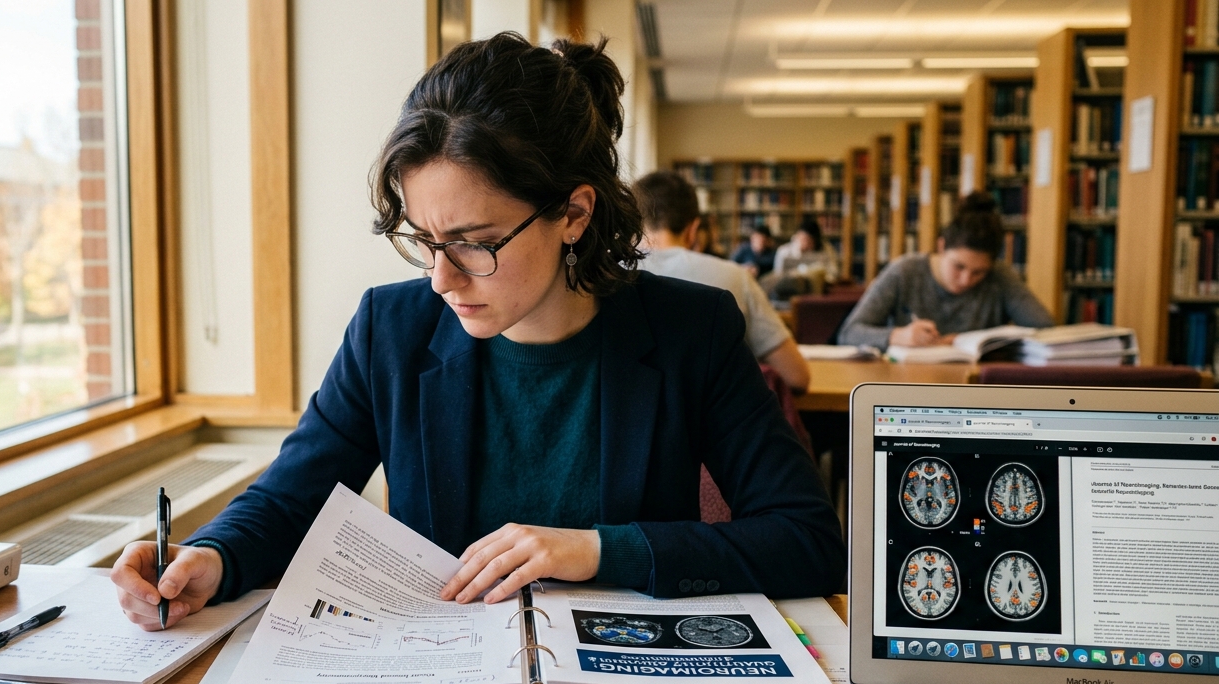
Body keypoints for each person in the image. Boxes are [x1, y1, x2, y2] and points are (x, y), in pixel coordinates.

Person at [110, 33, 843, 632]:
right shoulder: (390, 329)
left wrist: (595, 550)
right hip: (443, 681)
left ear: (575, 215)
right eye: (423, 238)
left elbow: (807, 540)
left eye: (474, 242)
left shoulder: (692, 329)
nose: (440, 277)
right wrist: (213, 554)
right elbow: (286, 500)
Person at [632, 171, 810, 393]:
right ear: (694, 229)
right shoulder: (735, 278)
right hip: (714, 425)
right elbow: (797, 377)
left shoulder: (604, 279)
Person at [838, 192, 1053, 350]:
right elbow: (849, 333)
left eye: (979, 272)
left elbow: (1048, 331)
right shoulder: (905, 272)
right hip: (909, 385)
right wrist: (898, 335)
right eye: (958, 266)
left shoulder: (1000, 277)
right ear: (941, 247)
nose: (966, 279)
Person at [771, 217, 838, 279]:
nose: (806, 243)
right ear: (797, 236)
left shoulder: (826, 249)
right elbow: (777, 275)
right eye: (803, 239)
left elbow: (834, 273)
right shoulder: (784, 251)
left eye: (810, 241)